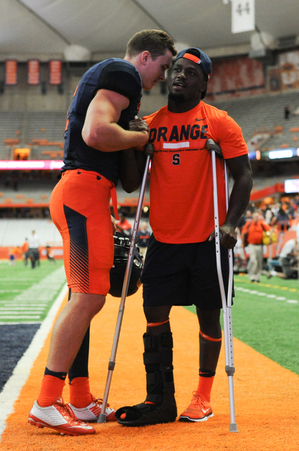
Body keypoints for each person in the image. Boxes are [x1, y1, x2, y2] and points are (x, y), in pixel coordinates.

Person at [28, 29, 176, 436]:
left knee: (84, 297)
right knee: (89, 299)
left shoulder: (112, 81)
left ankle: (79, 397)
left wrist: (132, 139)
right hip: (84, 193)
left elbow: (126, 176)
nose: (163, 76)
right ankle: (45, 402)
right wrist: (139, 136)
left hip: (85, 192)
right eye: (163, 66)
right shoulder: (122, 73)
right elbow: (95, 134)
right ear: (145, 56)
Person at [115, 47, 253, 426]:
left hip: (209, 239)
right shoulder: (151, 123)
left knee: (209, 318)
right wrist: (133, 143)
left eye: (190, 73)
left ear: (204, 83)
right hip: (164, 239)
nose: (179, 76)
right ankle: (160, 398)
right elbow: (130, 183)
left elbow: (243, 175)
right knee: (154, 312)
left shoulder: (220, 123)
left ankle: (203, 397)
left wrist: (231, 224)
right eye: (175, 69)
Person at [242, 212, 271, 282]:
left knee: (259, 261)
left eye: (257, 217)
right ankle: (252, 276)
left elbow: (269, 230)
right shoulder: (249, 224)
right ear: (253, 217)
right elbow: (243, 233)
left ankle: (257, 277)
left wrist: (270, 238)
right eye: (255, 217)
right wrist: (243, 243)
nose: (256, 218)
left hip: (260, 245)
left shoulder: (261, 224)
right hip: (251, 245)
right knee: (253, 260)